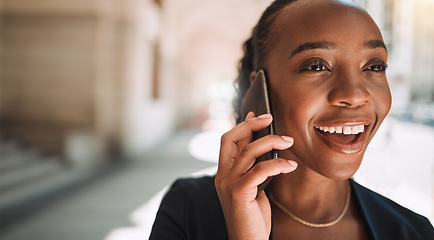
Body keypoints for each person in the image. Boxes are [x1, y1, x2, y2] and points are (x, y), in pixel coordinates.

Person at [149, 0, 434, 239]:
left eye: (374, 66)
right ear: (258, 91)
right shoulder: (187, 210)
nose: (355, 94)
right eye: (316, 65)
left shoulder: (415, 232)